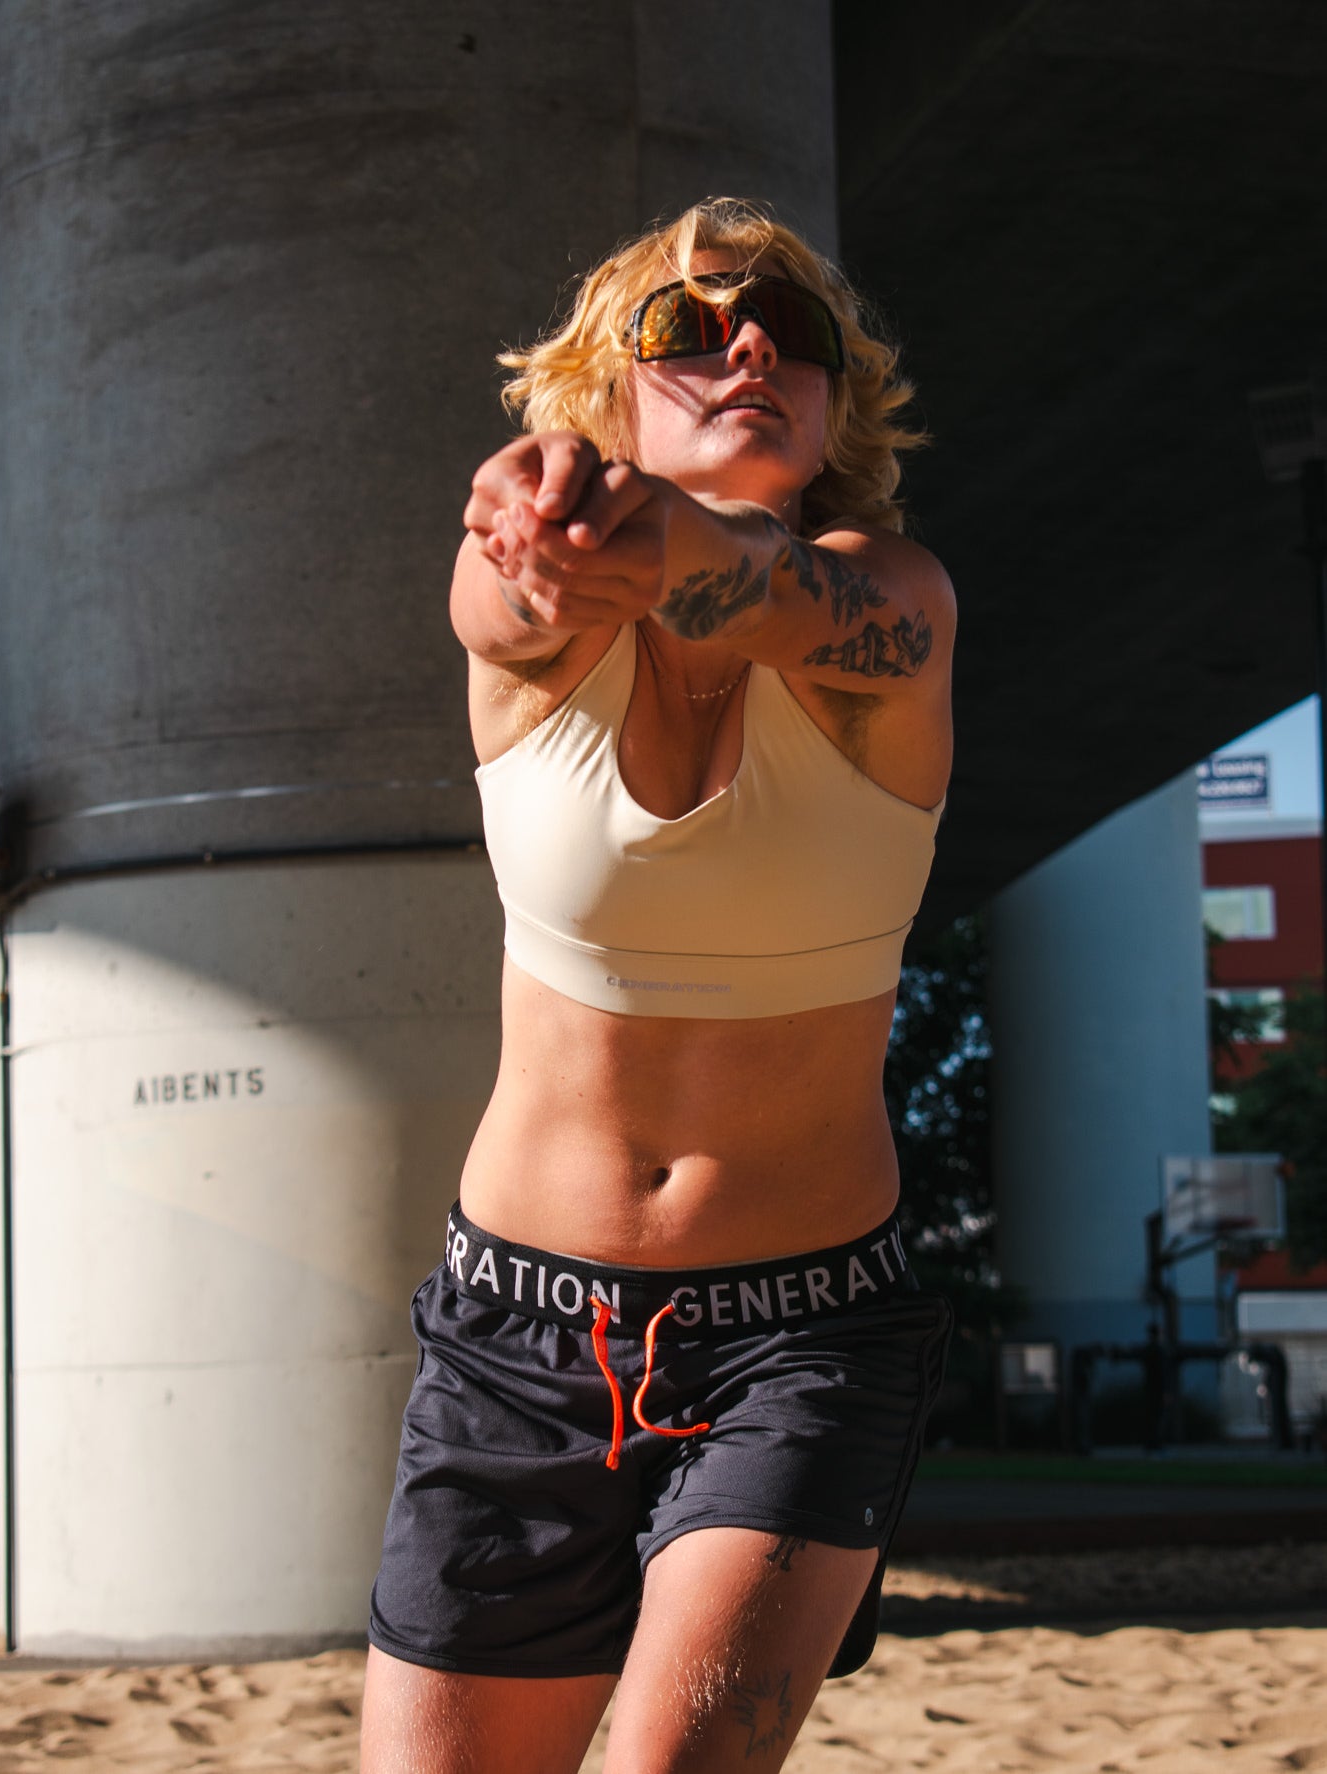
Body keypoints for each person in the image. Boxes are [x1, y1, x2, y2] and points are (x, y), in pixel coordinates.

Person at [361, 196, 955, 1774]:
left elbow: (760, 591)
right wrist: (530, 532)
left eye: (791, 332)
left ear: (838, 401)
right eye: (690, 327)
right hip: (515, 1332)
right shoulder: (533, 628)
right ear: (600, 394)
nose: (750, 343)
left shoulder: (893, 604)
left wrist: (644, 535)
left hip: (805, 1334)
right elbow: (506, 605)